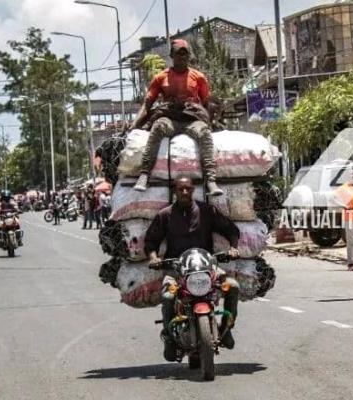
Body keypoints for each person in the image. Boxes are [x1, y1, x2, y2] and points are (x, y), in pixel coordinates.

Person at [144, 176, 240, 361]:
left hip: (206, 268)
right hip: (176, 270)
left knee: (233, 286)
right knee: (167, 296)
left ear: (193, 190)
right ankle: (169, 337)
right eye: (181, 189)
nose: (185, 192)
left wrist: (233, 248)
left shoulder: (207, 211)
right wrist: (154, 258)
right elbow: (151, 241)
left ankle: (227, 329)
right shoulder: (165, 215)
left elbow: (231, 229)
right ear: (175, 191)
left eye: (188, 188)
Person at [129, 39, 223, 196]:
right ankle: (145, 174)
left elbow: (206, 103)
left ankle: (211, 180)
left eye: (185, 54)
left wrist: (210, 122)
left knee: (204, 133)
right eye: (179, 54)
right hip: (170, 118)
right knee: (158, 126)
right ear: (172, 55)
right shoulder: (161, 78)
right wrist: (134, 125)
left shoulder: (198, 77)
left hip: (192, 119)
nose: (182, 58)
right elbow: (147, 104)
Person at [335, 170, 353, 270]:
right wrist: (344, 205)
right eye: (351, 175)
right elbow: (333, 199)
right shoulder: (343, 188)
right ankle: (350, 263)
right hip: (349, 216)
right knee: (350, 240)